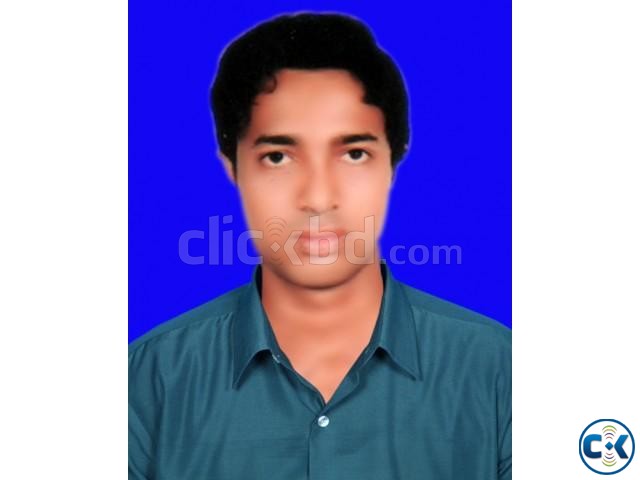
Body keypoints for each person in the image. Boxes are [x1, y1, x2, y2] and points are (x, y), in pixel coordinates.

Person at [129, 13, 511, 479]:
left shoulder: (499, 371)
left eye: (354, 154)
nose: (317, 197)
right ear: (232, 166)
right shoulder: (150, 379)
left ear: (392, 164)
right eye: (277, 157)